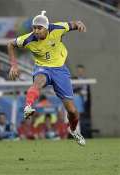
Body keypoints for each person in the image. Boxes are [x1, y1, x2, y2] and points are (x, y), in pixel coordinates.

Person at [7, 10, 86, 146]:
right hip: (42, 68)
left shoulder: (58, 28)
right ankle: (28, 106)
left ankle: (73, 130)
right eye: (34, 28)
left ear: (47, 27)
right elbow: (10, 44)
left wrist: (79, 24)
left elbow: (74, 23)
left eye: (39, 28)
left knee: (73, 112)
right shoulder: (28, 39)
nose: (36, 31)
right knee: (39, 81)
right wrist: (14, 66)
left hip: (60, 70)